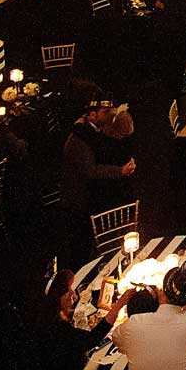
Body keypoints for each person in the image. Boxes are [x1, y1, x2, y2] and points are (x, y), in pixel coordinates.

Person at [60, 90, 137, 268]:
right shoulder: (80, 139)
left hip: (91, 194)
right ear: (92, 115)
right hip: (78, 200)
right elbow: (91, 170)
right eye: (104, 112)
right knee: (82, 247)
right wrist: (121, 171)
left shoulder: (91, 130)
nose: (109, 115)